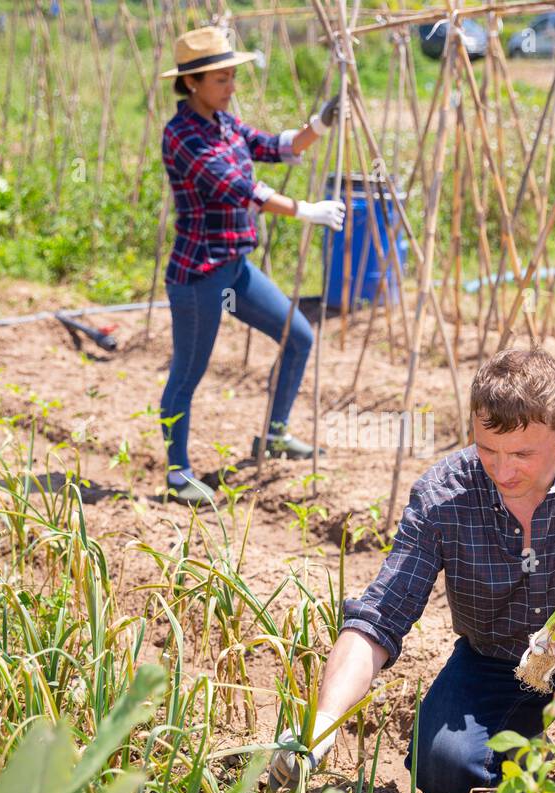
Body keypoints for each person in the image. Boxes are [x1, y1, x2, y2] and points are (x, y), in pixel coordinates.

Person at [269, 347, 555, 793]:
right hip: (500, 661)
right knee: (440, 766)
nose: (502, 470)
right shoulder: (444, 495)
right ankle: (526, 759)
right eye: (487, 449)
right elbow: (379, 618)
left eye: (521, 454)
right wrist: (323, 722)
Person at [159, 26, 348, 505]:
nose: (231, 86)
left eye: (231, 76)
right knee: (188, 374)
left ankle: (277, 434)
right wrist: (307, 211)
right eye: (222, 79)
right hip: (200, 273)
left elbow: (275, 146)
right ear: (193, 84)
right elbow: (242, 191)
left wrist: (319, 125)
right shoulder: (180, 135)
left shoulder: (226, 124)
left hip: (235, 268)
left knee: (298, 336)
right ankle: (179, 475)